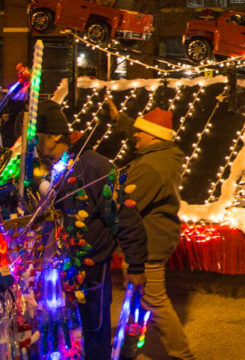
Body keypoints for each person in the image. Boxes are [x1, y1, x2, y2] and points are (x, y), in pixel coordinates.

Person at [35, 100, 147, 360]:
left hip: (93, 266)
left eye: (39, 139)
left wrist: (137, 266)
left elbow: (126, 218)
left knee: (94, 331)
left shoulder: (96, 167)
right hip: (62, 268)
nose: (36, 147)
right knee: (66, 333)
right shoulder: (54, 167)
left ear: (54, 136)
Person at [107, 99, 197, 360]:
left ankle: (182, 354)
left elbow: (124, 207)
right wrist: (119, 120)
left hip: (147, 245)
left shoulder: (149, 167)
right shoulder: (163, 153)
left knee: (153, 300)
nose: (133, 136)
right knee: (137, 295)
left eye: (139, 132)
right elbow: (140, 133)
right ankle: (130, 343)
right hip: (155, 238)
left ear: (153, 137)